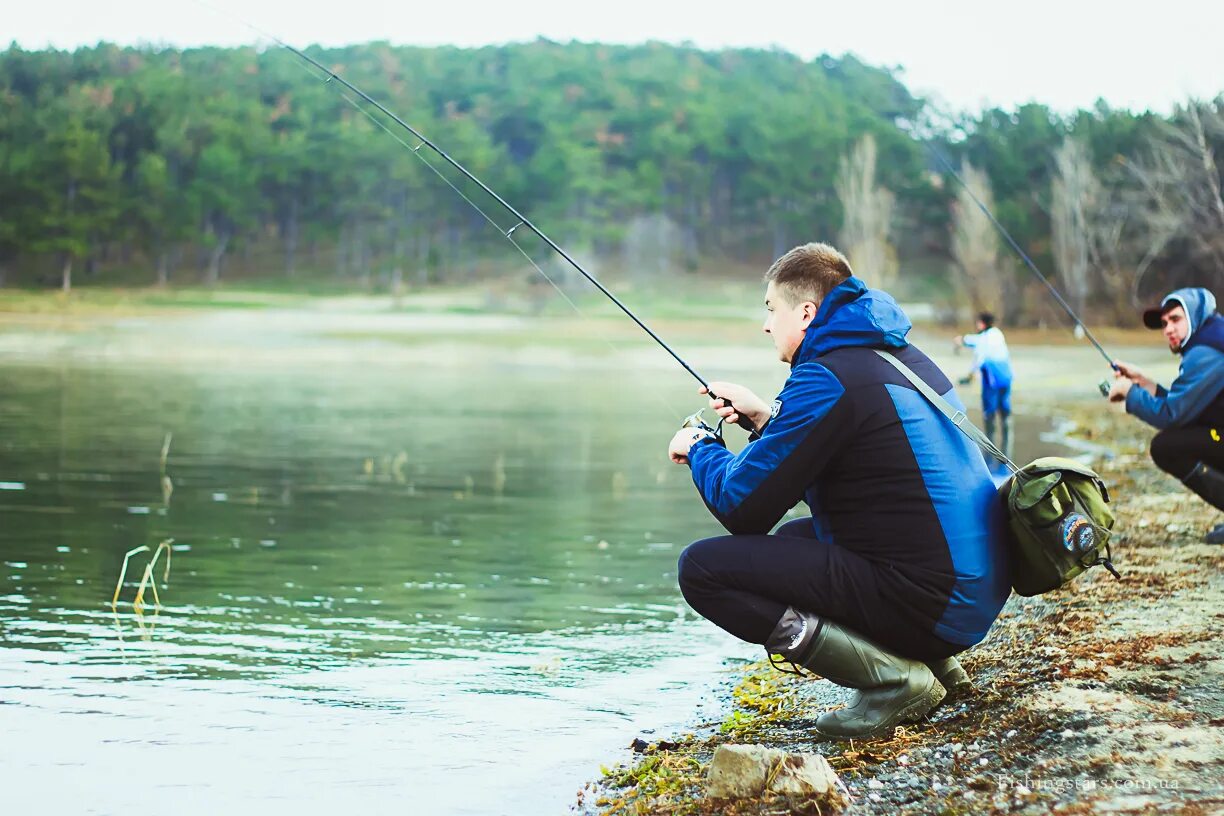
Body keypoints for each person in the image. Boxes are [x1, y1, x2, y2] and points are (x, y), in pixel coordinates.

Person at [666, 243, 1010, 740]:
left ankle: (894, 680)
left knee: (701, 570)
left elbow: (739, 506)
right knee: (788, 545)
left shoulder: (826, 377)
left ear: (806, 313)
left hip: (935, 601)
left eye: (771, 310)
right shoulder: (900, 357)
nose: (767, 325)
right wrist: (766, 420)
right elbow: (861, 481)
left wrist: (700, 447)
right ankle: (937, 666)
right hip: (971, 591)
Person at [1108, 287, 1224, 544]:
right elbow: (1188, 405)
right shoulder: (1214, 339)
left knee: (1166, 446)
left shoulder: (1206, 352)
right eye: (1164, 323)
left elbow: (1172, 416)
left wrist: (1130, 393)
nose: (1168, 329)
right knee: (1192, 436)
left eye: (1176, 319)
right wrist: (1143, 382)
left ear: (1196, 316)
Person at [955, 312, 1015, 460]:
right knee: (1005, 412)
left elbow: (979, 359)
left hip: (992, 380)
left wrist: (969, 376)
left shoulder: (983, 339)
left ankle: (990, 452)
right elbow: (975, 340)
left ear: (982, 323)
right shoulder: (997, 334)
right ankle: (1007, 450)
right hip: (1006, 377)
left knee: (989, 413)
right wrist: (963, 340)